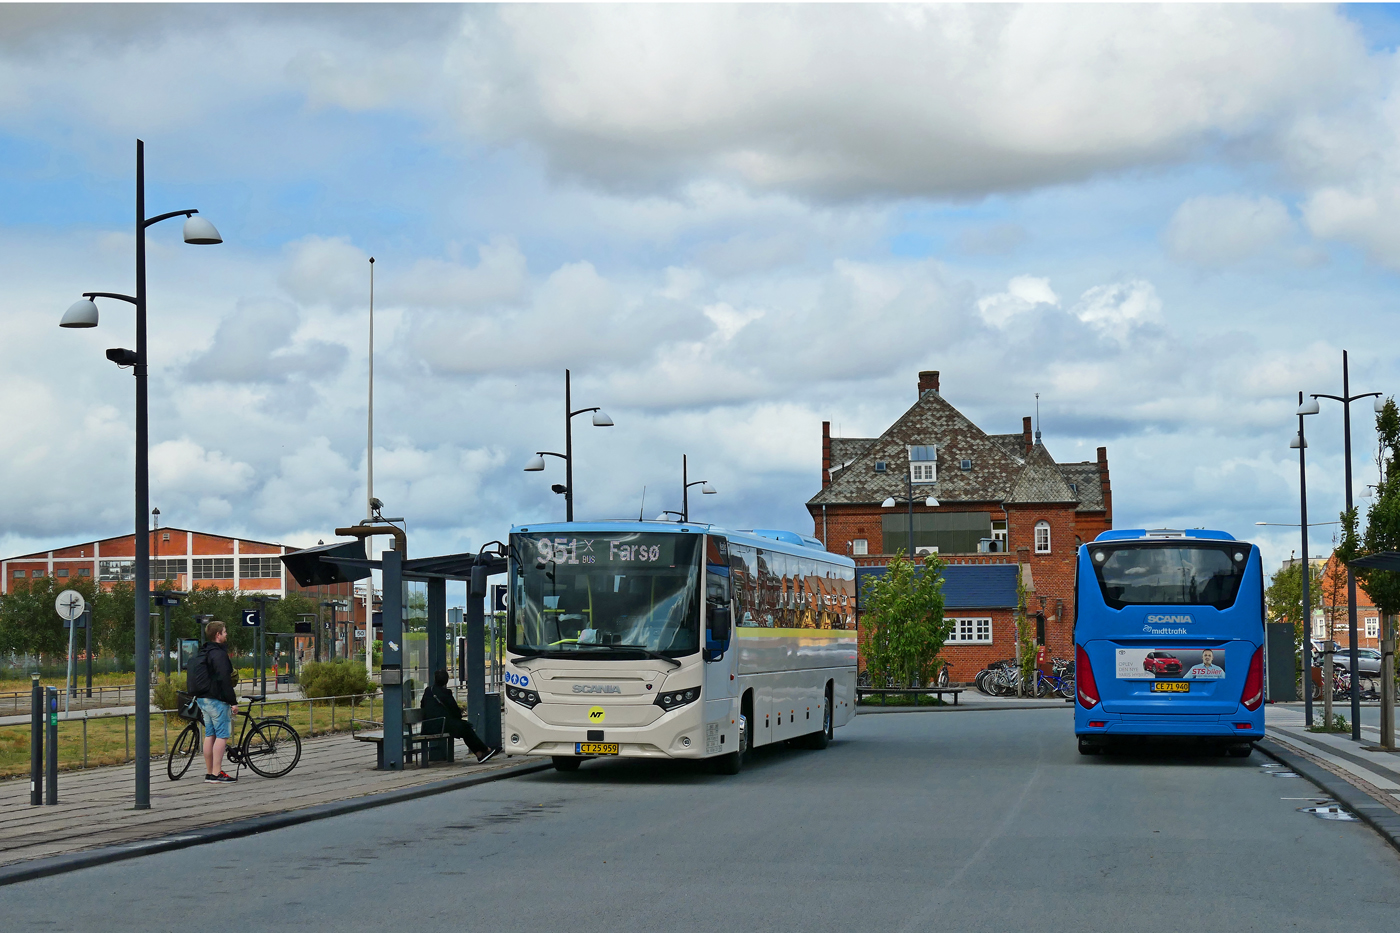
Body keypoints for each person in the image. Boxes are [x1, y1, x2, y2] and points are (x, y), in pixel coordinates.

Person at [193, 620, 239, 783]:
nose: (226, 634)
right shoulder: (218, 654)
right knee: (222, 735)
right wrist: (233, 702)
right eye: (225, 632)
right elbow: (223, 680)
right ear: (218, 635)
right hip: (216, 700)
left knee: (210, 735)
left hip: (203, 699)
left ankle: (209, 772)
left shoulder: (204, 651)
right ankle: (216, 773)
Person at [421, 670, 497, 763]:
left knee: (464, 728)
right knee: (465, 727)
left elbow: (422, 706)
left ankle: (480, 753)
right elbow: (456, 711)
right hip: (441, 725)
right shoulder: (446, 693)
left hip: (428, 726)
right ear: (446, 681)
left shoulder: (428, 691)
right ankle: (484, 750)